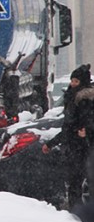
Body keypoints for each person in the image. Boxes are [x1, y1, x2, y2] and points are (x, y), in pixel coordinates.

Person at [42, 64, 94, 208]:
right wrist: (51, 143)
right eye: (72, 81)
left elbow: (83, 123)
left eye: (76, 81)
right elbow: (68, 128)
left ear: (82, 83)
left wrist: (87, 133)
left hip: (82, 148)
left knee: (78, 183)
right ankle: (76, 214)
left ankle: (79, 214)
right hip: (74, 147)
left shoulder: (86, 100)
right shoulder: (72, 98)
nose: (72, 84)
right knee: (75, 183)